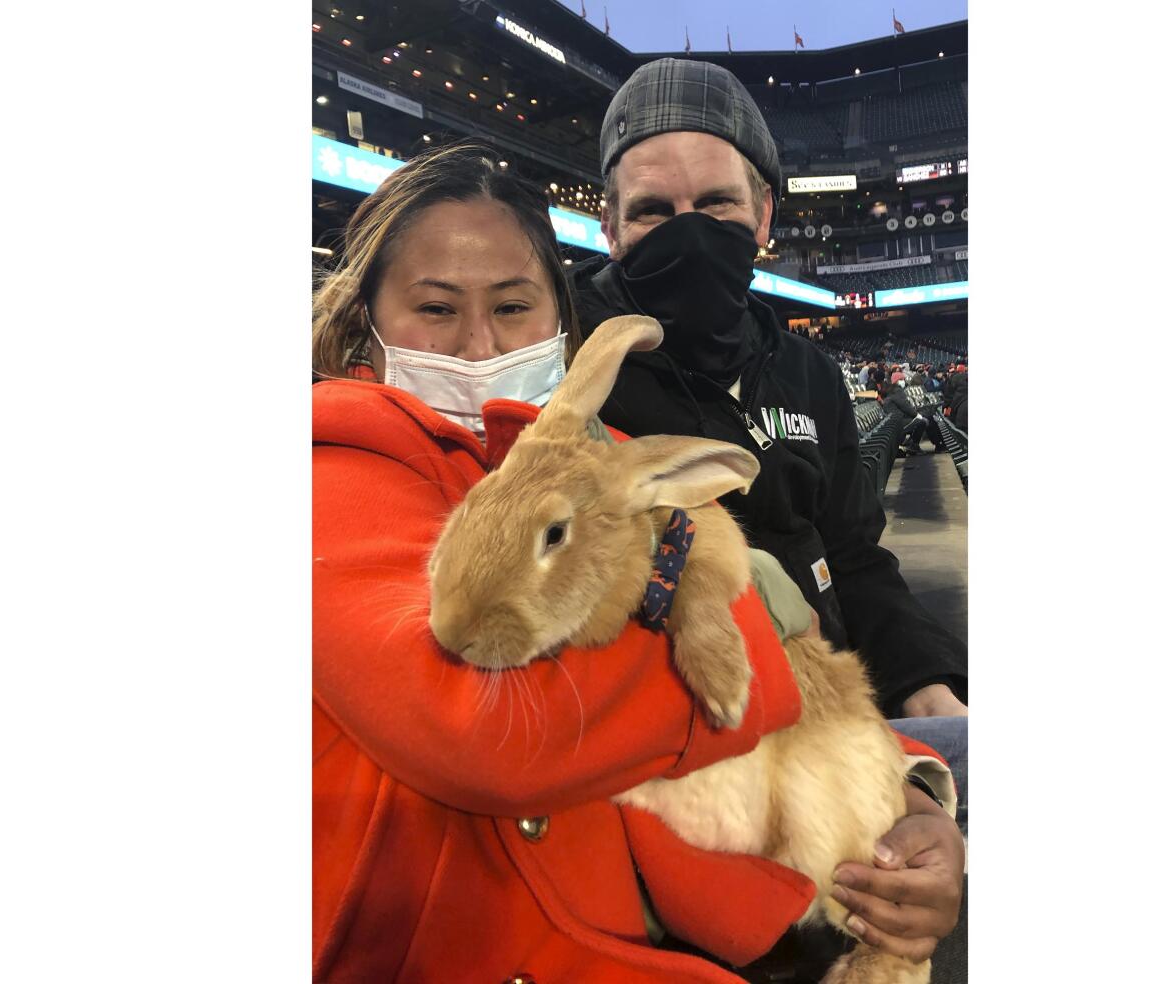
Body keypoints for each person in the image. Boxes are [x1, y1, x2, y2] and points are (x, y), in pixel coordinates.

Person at [312, 141, 963, 983]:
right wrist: (734, 610)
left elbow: (762, 577)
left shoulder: (579, 451)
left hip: (732, 877)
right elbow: (488, 734)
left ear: (560, 323)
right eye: (436, 310)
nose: (478, 346)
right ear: (364, 318)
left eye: (514, 308)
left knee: (952, 763)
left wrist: (910, 795)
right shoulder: (334, 473)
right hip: (548, 938)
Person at [569, 59, 968, 723]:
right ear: (610, 229)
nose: (688, 230)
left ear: (762, 216)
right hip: (676, 730)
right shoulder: (566, 367)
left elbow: (854, 556)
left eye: (716, 202)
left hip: (830, 702)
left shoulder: (807, 370)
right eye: (652, 211)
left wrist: (925, 680)